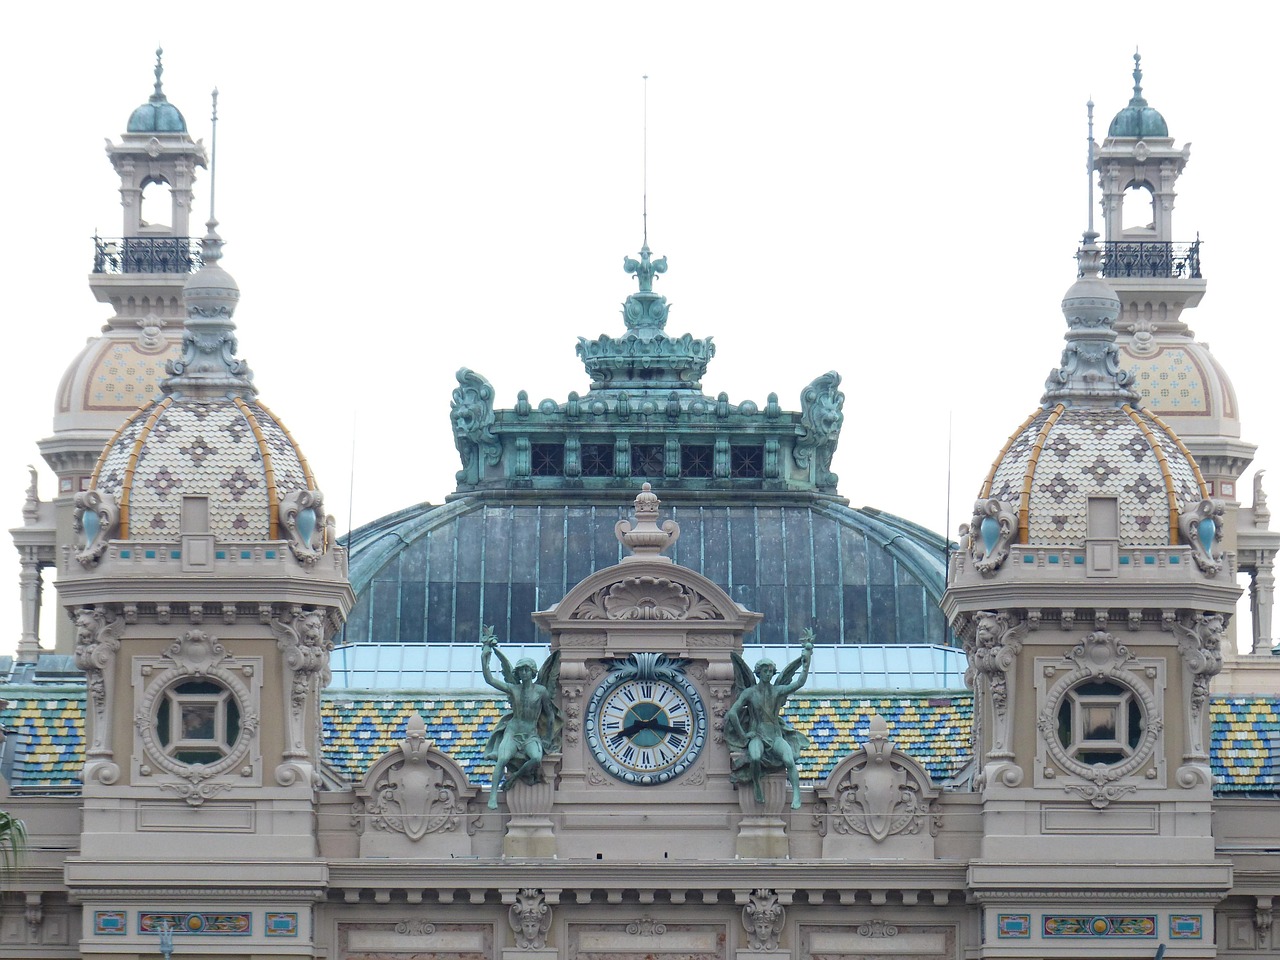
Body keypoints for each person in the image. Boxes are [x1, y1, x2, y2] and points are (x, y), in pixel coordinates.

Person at [726, 637, 814, 809]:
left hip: (775, 736)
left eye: (770, 671)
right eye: (765, 671)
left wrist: (806, 662)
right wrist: (744, 735)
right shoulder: (750, 693)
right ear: (758, 673)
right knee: (755, 757)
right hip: (757, 736)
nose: (768, 673)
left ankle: (797, 794)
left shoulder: (777, 691)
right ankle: (756, 784)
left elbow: (799, 682)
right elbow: (732, 713)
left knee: (789, 759)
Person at [480, 629, 561, 810]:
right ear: (517, 673)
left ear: (532, 672)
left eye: (527, 669)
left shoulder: (541, 691)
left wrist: (548, 738)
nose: (524, 673)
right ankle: (493, 795)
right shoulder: (513, 689)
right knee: (502, 759)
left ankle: (514, 778)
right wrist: (485, 656)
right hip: (513, 732)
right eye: (521, 670)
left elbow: (550, 716)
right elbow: (490, 679)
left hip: (531, 735)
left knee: (536, 758)